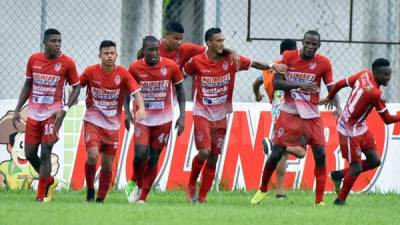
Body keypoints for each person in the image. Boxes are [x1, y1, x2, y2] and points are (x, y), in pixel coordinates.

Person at [183, 27, 287, 203]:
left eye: (223, 40)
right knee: (204, 151)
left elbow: (254, 64)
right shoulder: (196, 61)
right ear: (209, 43)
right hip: (202, 112)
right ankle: (192, 185)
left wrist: (271, 66)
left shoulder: (231, 60)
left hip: (221, 114)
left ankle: (202, 197)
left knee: (214, 156)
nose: (222, 44)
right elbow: (182, 75)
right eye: (218, 41)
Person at [251, 30, 341, 206]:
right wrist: (300, 84)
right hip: (289, 111)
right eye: (307, 42)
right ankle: (262, 190)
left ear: (318, 46)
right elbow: (277, 83)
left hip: (311, 114)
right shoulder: (288, 57)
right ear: (302, 42)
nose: (310, 46)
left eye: (314, 44)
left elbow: (331, 86)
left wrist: (338, 106)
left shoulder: (323, 63)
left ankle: (319, 201)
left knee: (320, 154)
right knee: (277, 153)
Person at [12, 28, 81, 202]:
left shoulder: (67, 63)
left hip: (53, 115)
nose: (57, 44)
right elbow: (28, 85)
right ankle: (49, 180)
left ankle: (40, 195)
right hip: (34, 114)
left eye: (59, 41)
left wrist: (64, 109)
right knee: (29, 153)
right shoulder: (33, 60)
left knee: (46, 151)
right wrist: (17, 109)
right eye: (53, 41)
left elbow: (77, 87)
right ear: (45, 42)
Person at [320, 58, 400, 205]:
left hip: (360, 127)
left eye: (389, 74)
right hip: (349, 131)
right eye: (385, 75)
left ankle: (338, 175)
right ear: (375, 73)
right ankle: (340, 201)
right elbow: (387, 119)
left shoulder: (363, 74)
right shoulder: (376, 93)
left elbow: (338, 84)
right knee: (355, 168)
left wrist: (329, 98)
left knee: (374, 161)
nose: (388, 77)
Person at [80, 40, 145, 203]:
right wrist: (68, 98)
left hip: (112, 126)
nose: (109, 56)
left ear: (116, 55)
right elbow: (76, 85)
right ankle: (89, 189)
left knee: (108, 165)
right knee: (93, 156)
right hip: (92, 121)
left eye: (112, 53)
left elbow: (136, 91)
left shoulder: (123, 74)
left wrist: (141, 108)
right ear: (100, 55)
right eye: (106, 53)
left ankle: (100, 199)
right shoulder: (90, 72)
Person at [125, 36, 186, 204]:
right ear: (143, 51)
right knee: (139, 155)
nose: (154, 53)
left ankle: (143, 197)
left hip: (164, 120)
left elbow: (180, 90)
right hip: (143, 118)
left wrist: (183, 116)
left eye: (156, 49)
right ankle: (138, 184)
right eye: (150, 50)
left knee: (153, 157)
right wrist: (127, 112)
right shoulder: (135, 68)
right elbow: (126, 90)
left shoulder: (170, 66)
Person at [252, 39, 306, 199]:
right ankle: (274, 144)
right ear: (294, 51)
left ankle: (280, 191)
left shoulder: (270, 67)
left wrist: (257, 96)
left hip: (276, 108)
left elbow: (255, 84)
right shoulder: (293, 65)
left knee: (282, 152)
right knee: (300, 150)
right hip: (292, 108)